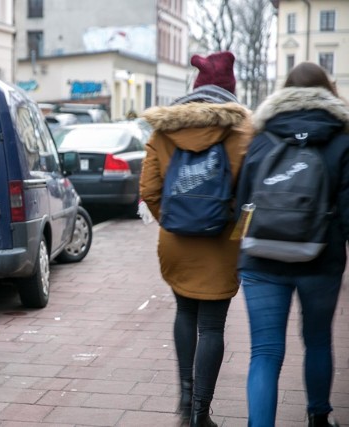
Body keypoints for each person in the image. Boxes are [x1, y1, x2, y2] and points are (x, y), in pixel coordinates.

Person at [139, 51, 253, 426]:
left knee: (185, 312)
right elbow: (253, 200)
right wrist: (235, 235)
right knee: (212, 326)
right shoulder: (244, 132)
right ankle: (201, 414)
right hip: (222, 246)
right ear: (229, 90)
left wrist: (174, 223)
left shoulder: (164, 130)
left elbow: (150, 190)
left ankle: (185, 404)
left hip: (175, 243)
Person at [235, 62, 349, 427]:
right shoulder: (342, 139)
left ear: (283, 92)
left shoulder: (261, 138)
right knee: (318, 341)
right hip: (321, 259)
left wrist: (242, 246)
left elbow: (242, 204)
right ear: (329, 91)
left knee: (265, 352)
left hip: (262, 260)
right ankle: (318, 417)